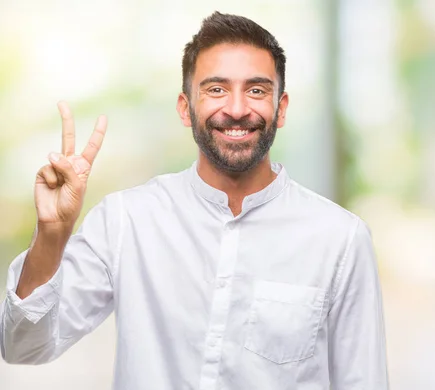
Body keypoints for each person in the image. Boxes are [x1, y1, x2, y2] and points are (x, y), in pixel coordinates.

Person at [0, 11, 389, 390]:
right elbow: (21, 347)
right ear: (186, 108)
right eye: (216, 89)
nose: (237, 109)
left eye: (256, 90)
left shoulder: (340, 239)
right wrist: (51, 234)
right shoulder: (127, 221)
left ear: (280, 108)